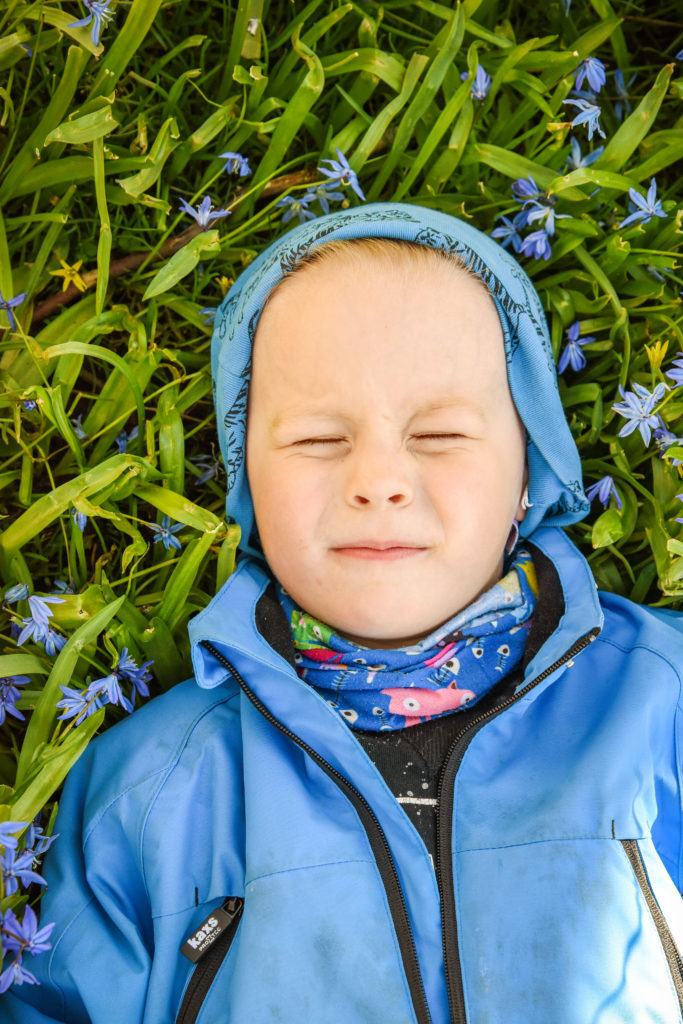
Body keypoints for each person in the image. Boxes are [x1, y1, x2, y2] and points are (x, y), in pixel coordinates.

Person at [5, 202, 683, 1024]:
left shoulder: (663, 700)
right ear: (249, 488)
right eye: (320, 440)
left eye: (437, 434)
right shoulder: (148, 789)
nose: (378, 480)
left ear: (528, 479)